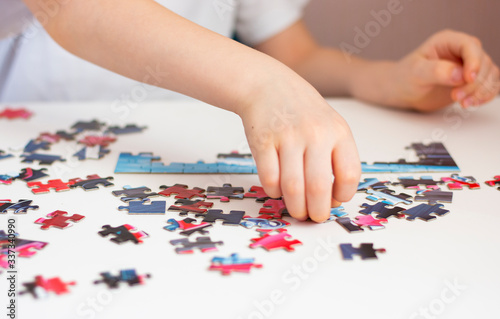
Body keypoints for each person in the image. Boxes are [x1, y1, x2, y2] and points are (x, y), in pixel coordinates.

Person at [1, 0, 498, 222]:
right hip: (34, 146)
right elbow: (71, 7)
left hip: (190, 149)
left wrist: (393, 81)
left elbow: (295, 56)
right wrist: (262, 82)